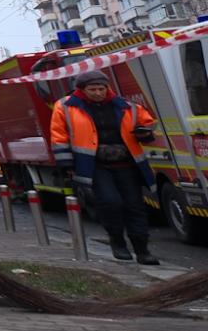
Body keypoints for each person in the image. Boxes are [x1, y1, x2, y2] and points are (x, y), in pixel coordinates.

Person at [50, 71, 161, 265]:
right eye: (92, 89)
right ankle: (117, 241)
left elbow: (148, 123)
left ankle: (142, 250)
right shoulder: (66, 107)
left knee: (135, 206)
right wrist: (66, 164)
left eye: (101, 89)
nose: (98, 93)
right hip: (95, 165)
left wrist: (145, 133)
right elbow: (59, 136)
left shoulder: (125, 106)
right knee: (111, 202)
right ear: (82, 90)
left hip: (127, 163)